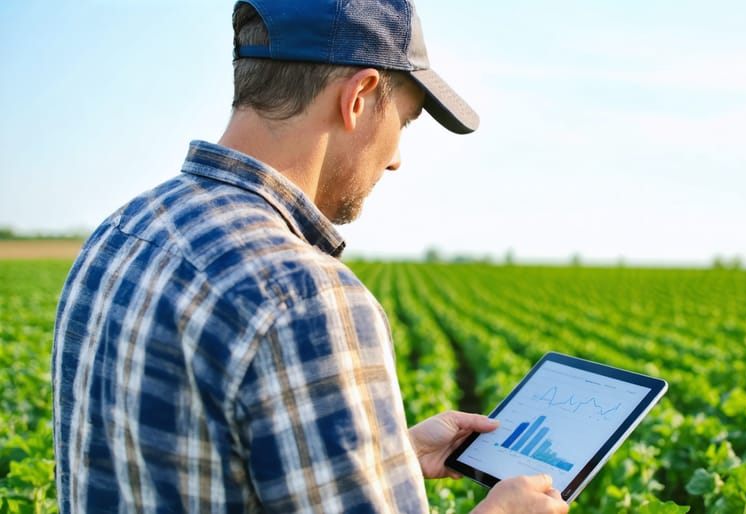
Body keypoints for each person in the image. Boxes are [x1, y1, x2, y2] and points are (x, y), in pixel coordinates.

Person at [51, 0, 570, 513]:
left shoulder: (122, 231)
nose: (395, 159)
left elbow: (178, 469)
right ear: (360, 97)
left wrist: (388, 461)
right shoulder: (304, 296)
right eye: (405, 122)